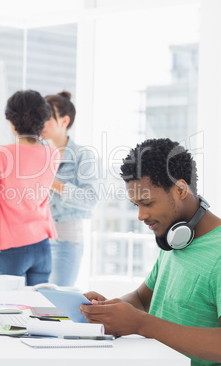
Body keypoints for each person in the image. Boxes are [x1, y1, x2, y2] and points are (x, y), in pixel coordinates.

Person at [79, 138, 221, 366]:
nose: (141, 216)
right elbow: (141, 300)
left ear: (180, 189)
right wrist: (109, 310)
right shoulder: (176, 238)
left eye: (147, 203)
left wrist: (141, 324)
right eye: (136, 205)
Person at [0, 90, 59, 285]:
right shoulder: (52, 154)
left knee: (6, 313)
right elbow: (23, 171)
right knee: (37, 313)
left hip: (8, 250)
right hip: (42, 247)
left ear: (12, 123)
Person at [41, 91, 100, 287]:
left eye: (47, 117)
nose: (41, 122)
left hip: (65, 241)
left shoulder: (83, 155)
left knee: (55, 305)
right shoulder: (37, 154)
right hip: (36, 241)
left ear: (64, 121)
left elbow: (91, 198)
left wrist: (54, 183)